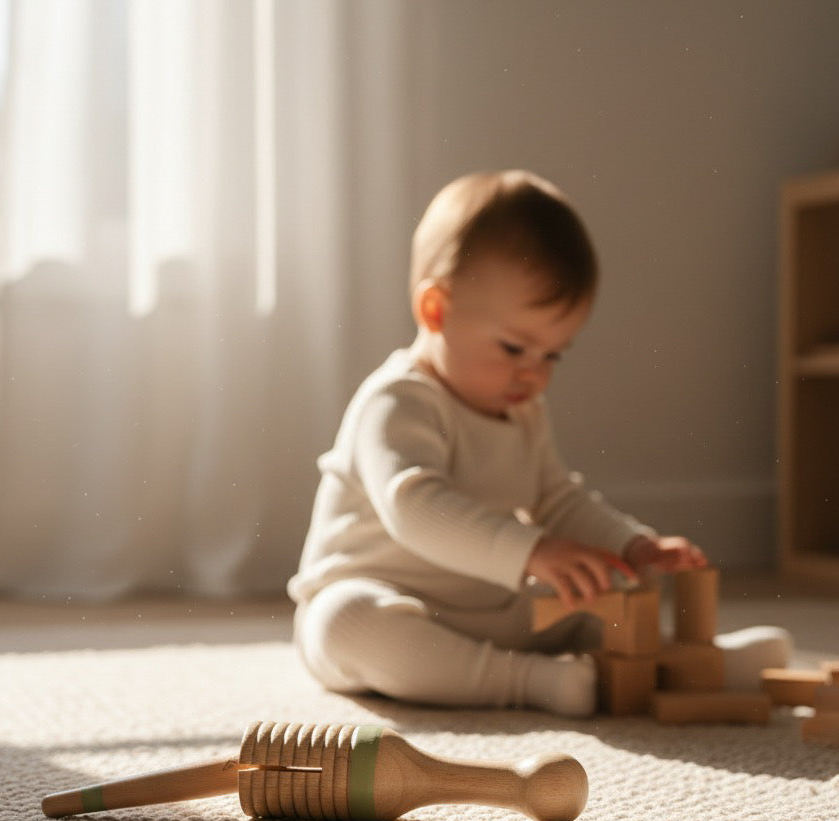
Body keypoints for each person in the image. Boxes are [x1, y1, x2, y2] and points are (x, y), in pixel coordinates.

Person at [287, 169, 787, 716]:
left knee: (596, 598)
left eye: (553, 355)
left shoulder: (521, 409)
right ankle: (524, 681)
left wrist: (632, 546)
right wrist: (531, 552)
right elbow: (414, 507)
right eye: (514, 348)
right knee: (345, 625)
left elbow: (556, 499)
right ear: (436, 310)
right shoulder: (397, 401)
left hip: (491, 605)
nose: (534, 375)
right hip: (382, 597)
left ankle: (680, 663)